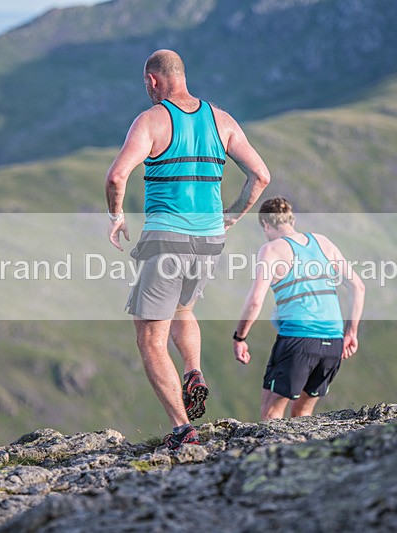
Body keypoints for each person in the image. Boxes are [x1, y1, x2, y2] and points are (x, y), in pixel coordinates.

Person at [105, 50, 270, 449]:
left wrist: (117, 217)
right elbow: (261, 176)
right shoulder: (222, 120)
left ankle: (183, 428)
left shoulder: (152, 120)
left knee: (149, 338)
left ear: (153, 81)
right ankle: (193, 369)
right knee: (183, 309)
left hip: (167, 239)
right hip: (209, 239)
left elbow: (116, 176)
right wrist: (232, 215)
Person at [232, 197, 365, 420]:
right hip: (333, 342)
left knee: (271, 413)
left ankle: (272, 455)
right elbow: (358, 287)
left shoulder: (271, 249)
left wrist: (240, 338)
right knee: (304, 415)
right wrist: (351, 333)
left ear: (266, 224)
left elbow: (256, 301)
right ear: (291, 220)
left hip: (298, 340)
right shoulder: (324, 243)